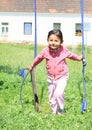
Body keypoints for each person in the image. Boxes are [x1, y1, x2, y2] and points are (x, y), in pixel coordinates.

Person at [28, 29, 82, 115]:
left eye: (56, 41)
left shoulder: (63, 50)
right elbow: (39, 58)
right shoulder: (45, 51)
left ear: (61, 42)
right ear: (48, 40)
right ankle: (54, 112)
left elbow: (71, 55)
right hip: (50, 77)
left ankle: (60, 110)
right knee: (51, 96)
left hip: (62, 76)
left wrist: (79, 58)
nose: (53, 43)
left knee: (59, 93)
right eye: (51, 40)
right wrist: (32, 65)